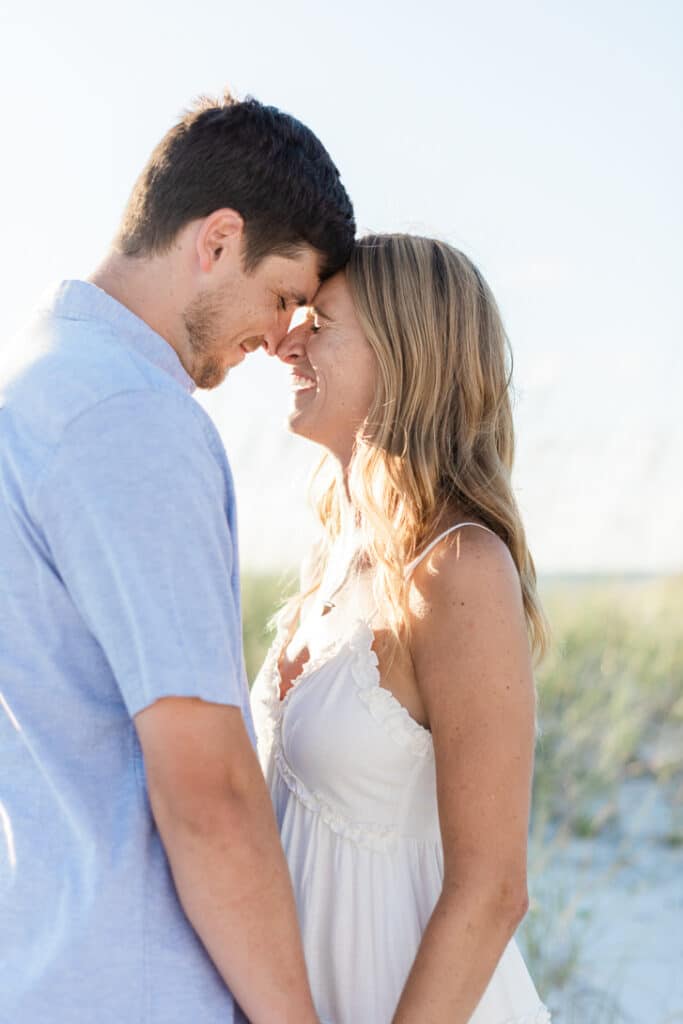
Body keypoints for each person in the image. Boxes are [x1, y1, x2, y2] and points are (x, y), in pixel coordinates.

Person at [0, 90, 354, 1023]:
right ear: (217, 238)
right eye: (283, 296)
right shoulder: (131, 418)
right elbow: (207, 786)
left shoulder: (31, 385)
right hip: (137, 984)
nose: (282, 337)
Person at [250, 234, 553, 1023]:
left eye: (321, 325)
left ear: (405, 356)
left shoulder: (460, 568)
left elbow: (491, 891)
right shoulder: (337, 557)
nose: (285, 341)